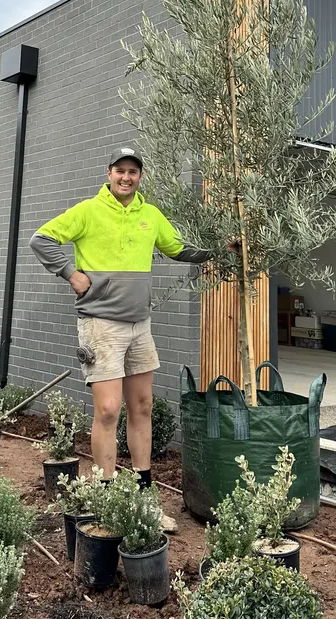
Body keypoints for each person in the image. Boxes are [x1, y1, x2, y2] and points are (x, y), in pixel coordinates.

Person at [30, 147, 237, 518]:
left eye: (133, 172)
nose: (126, 177)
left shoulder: (150, 215)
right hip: (101, 323)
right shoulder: (87, 211)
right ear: (109, 173)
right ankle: (106, 497)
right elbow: (41, 240)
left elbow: (177, 249)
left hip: (140, 326)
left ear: (140, 177)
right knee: (108, 410)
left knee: (141, 407)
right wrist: (70, 274)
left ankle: (143, 496)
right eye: (120, 170)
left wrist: (218, 251)